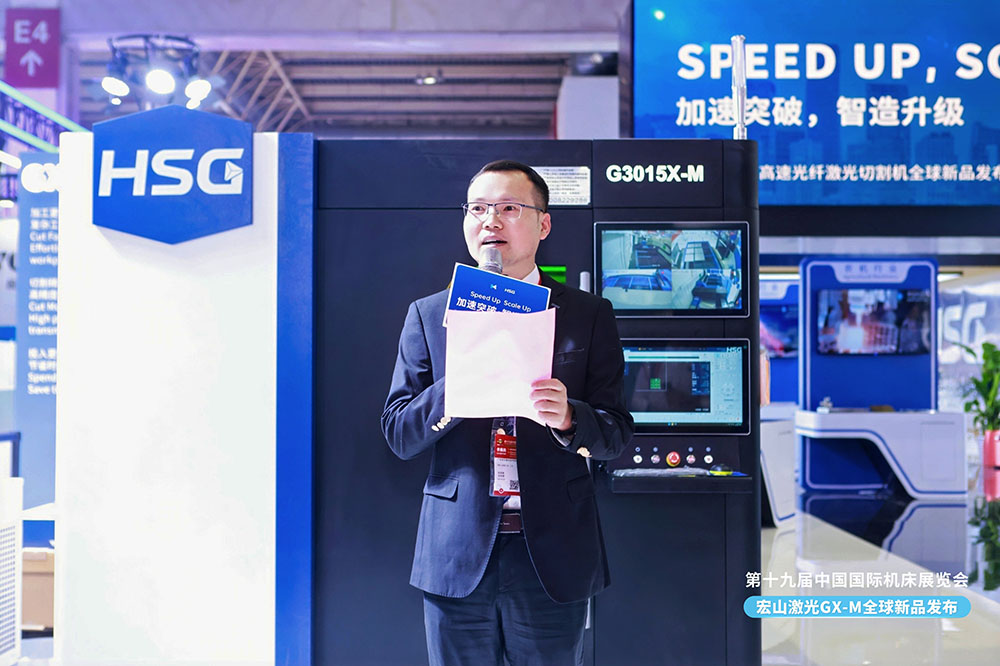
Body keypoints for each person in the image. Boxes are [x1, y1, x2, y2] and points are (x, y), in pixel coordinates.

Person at [381, 160, 634, 666]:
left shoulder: (587, 315)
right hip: (456, 552)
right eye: (478, 208)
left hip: (553, 554)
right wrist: (459, 385)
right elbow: (400, 433)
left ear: (543, 224)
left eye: (509, 208)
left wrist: (569, 418)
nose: (490, 220)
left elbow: (615, 434)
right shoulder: (430, 315)